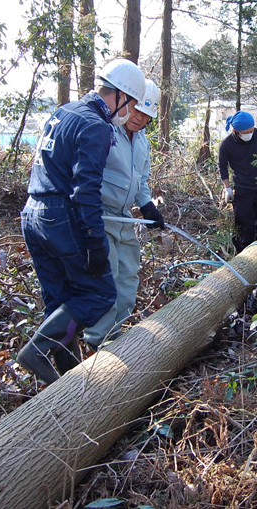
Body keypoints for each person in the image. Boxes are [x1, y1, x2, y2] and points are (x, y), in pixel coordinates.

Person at [17, 58, 146, 384]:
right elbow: (85, 189)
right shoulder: (96, 125)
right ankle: (36, 350)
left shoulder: (65, 111)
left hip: (33, 213)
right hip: (61, 218)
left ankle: (68, 382)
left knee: (62, 301)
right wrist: (94, 242)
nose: (129, 113)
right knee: (99, 294)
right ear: (121, 96)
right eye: (130, 105)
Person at [83, 80, 164, 348]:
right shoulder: (105, 131)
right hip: (100, 217)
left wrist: (147, 205)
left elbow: (140, 180)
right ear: (127, 104)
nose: (139, 118)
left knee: (129, 273)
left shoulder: (141, 142)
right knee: (108, 275)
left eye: (147, 116)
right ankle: (98, 339)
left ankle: (116, 333)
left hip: (124, 218)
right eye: (137, 110)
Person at [218, 111, 257, 253]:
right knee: (245, 224)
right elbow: (222, 166)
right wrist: (227, 188)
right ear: (237, 131)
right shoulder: (227, 144)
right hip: (242, 189)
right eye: (246, 132)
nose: (250, 133)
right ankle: (242, 254)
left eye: (251, 130)